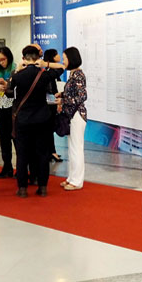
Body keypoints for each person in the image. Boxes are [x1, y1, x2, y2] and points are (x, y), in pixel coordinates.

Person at [7, 45, 66, 197]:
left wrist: (17, 70)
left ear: (24, 58)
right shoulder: (44, 74)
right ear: (38, 58)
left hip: (23, 120)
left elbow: (8, 91)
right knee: (42, 153)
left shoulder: (18, 75)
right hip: (42, 118)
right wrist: (46, 64)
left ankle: (22, 188)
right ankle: (42, 187)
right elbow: (62, 67)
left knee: (22, 154)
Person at [56, 47, 87, 190]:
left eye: (65, 58)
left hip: (77, 115)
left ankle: (77, 181)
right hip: (71, 115)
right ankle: (71, 178)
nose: (63, 61)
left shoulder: (78, 75)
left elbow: (82, 96)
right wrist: (62, 95)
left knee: (76, 148)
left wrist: (64, 100)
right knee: (72, 148)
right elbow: (73, 93)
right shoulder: (73, 74)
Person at [0, 46, 16, 178]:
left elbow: (17, 90)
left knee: (16, 138)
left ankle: (21, 168)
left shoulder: (15, 70)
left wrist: (6, 85)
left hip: (13, 108)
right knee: (4, 139)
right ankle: (7, 167)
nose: (1, 62)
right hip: (1, 107)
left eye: (3, 59)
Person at [43, 48, 64, 163]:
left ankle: (51, 151)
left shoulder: (48, 70)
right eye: (56, 54)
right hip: (50, 103)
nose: (59, 56)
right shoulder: (51, 71)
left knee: (49, 128)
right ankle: (51, 152)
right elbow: (51, 89)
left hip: (51, 103)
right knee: (49, 129)